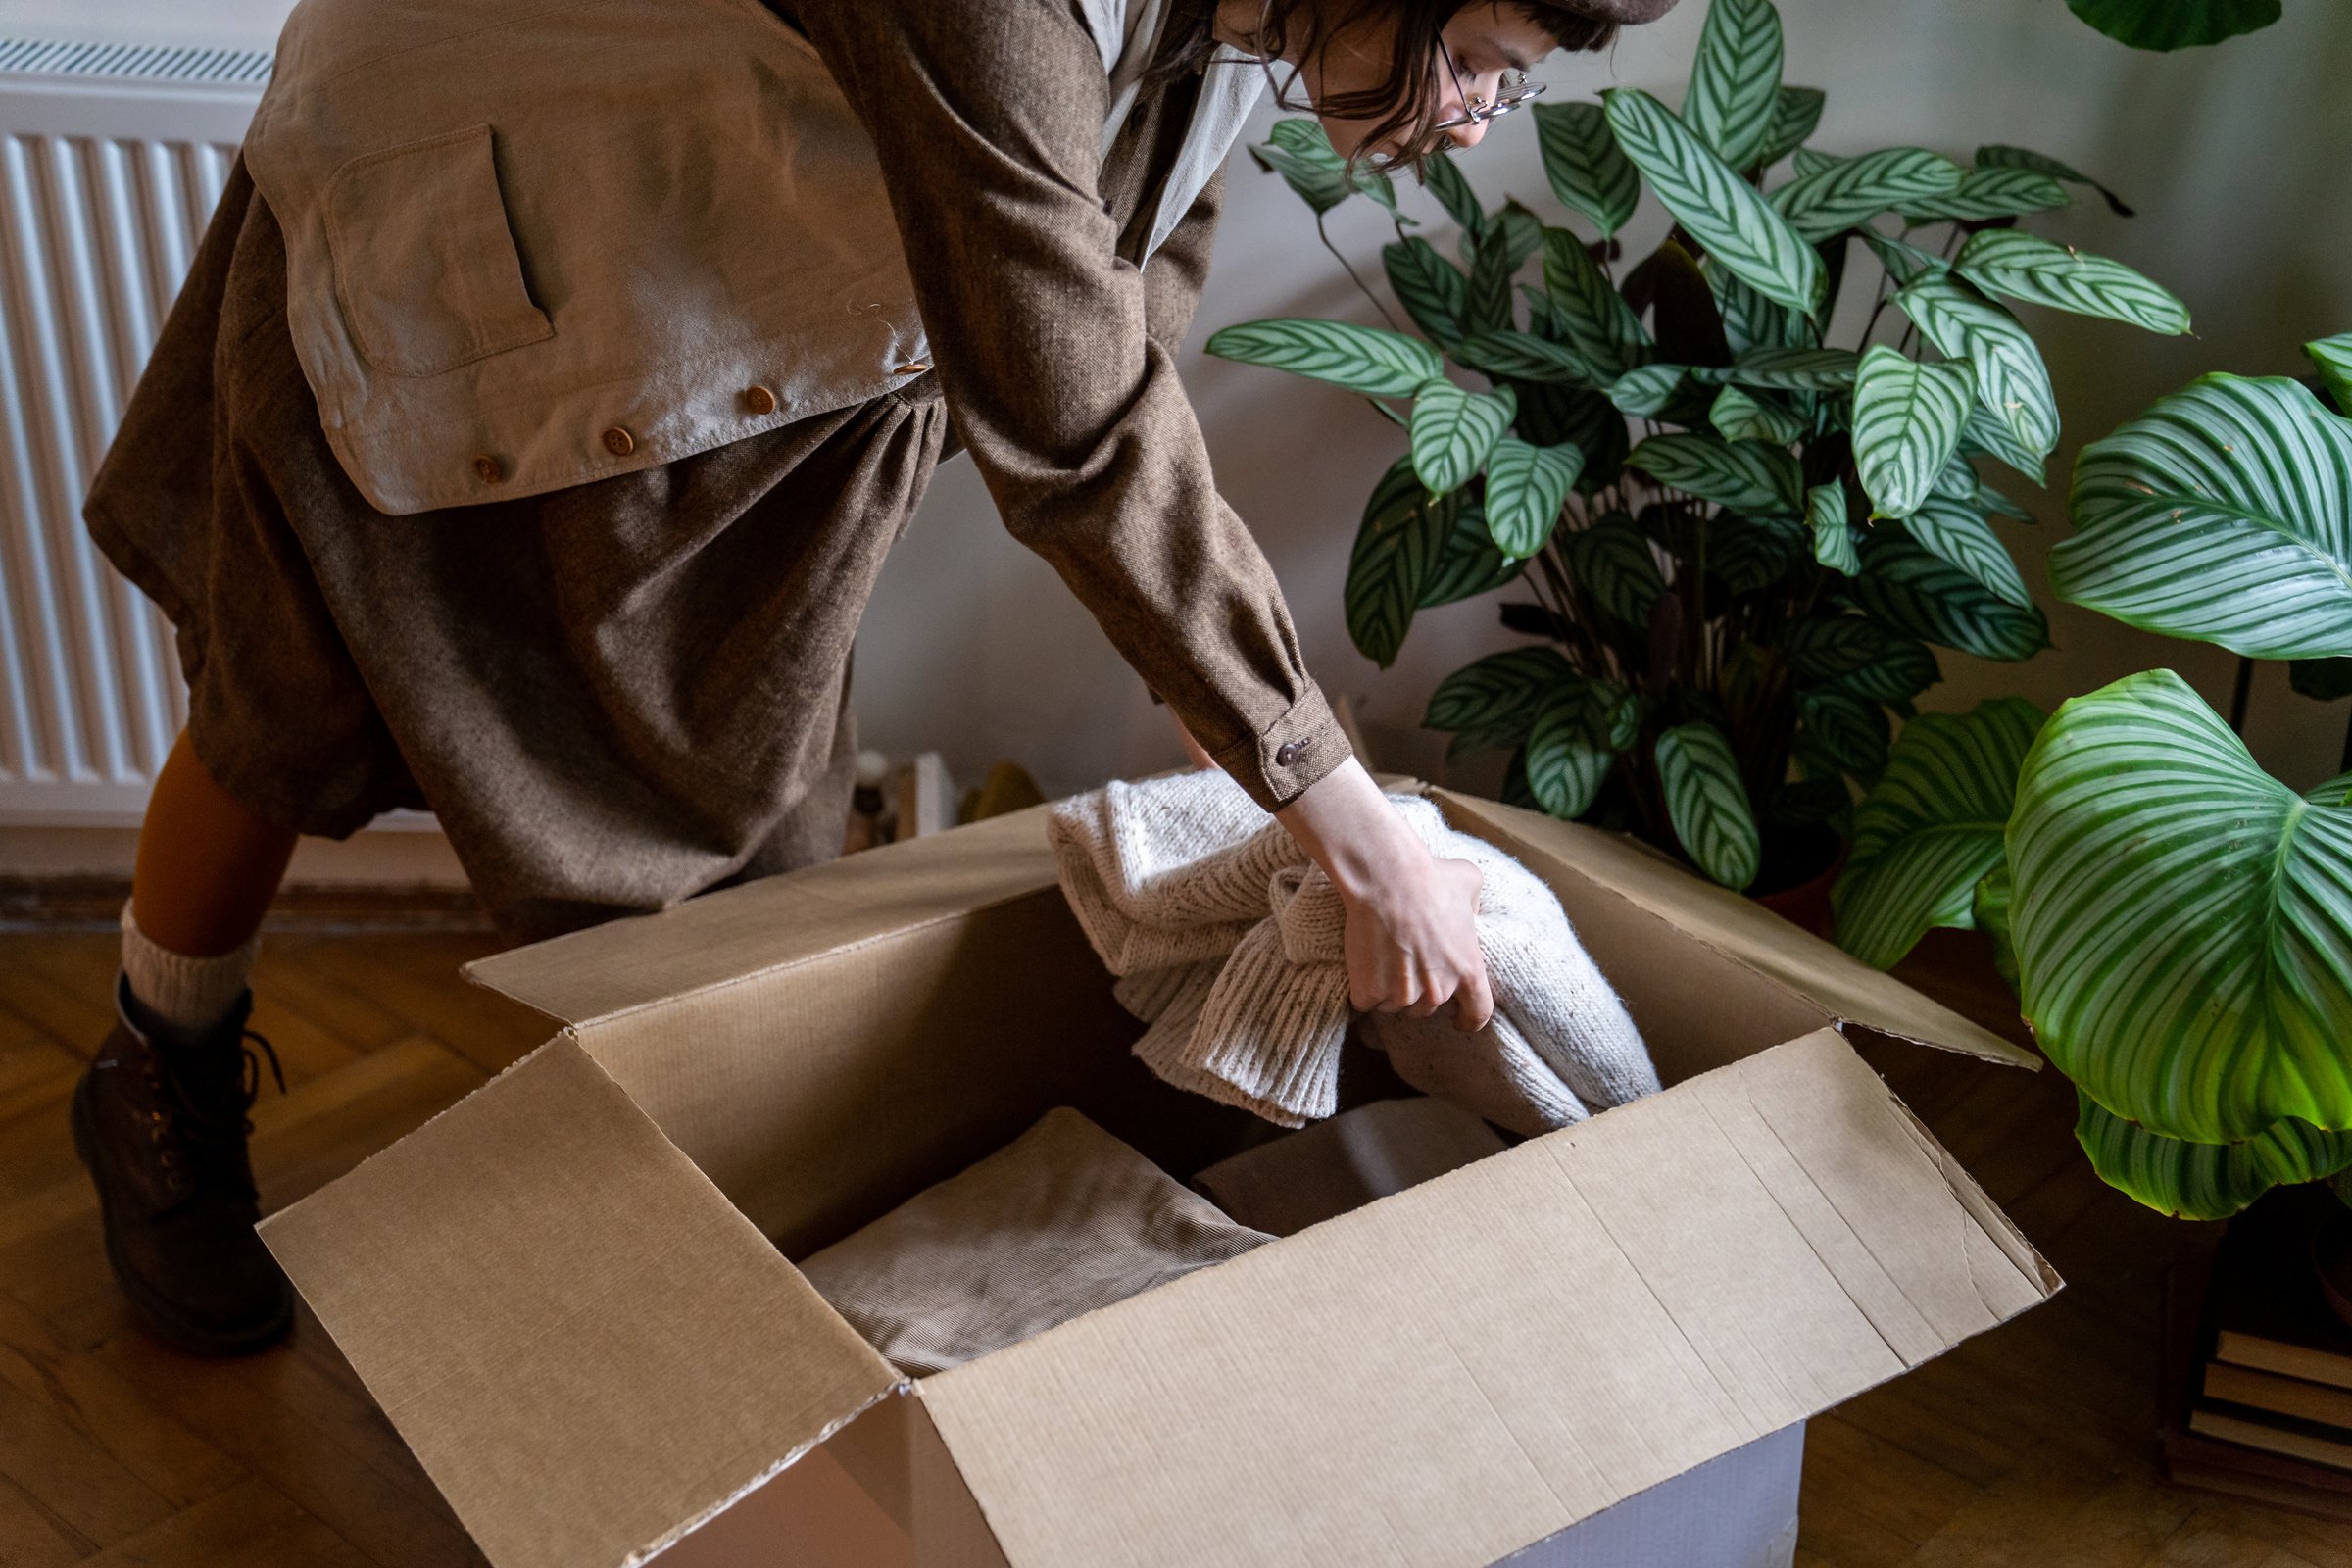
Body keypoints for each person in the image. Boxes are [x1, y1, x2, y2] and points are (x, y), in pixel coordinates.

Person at [69, 0, 1675, 1356]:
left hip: (730, 310)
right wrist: (1352, 819)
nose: (1471, 120)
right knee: (290, 706)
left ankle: (706, 1208)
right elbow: (1077, 422)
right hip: (483, 240)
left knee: (750, 795)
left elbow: (1139, 263)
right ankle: (163, 1059)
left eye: (1508, 84)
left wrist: (1216, 685)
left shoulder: (1271, 9)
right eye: (1475, 57)